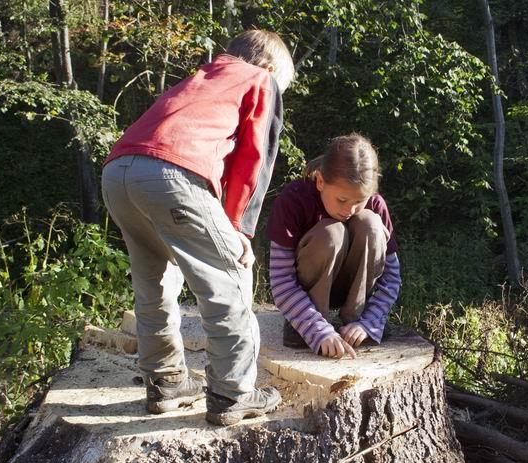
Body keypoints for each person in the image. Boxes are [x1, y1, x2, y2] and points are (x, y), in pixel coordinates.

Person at [101, 30, 294, 426]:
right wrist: (240, 226)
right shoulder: (259, 79)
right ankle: (234, 392)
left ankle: (166, 380)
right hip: (170, 174)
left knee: (153, 279)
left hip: (118, 172)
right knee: (230, 273)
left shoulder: (202, 77)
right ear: (271, 69)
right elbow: (255, 158)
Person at [266, 134, 401, 359]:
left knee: (370, 224)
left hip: (357, 306)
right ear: (320, 181)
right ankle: (309, 324)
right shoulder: (293, 199)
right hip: (308, 301)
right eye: (341, 200)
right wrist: (316, 330)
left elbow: (392, 277)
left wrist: (370, 323)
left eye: (360, 201)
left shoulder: (376, 205)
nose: (350, 209)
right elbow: (281, 279)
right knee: (332, 232)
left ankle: (354, 321)